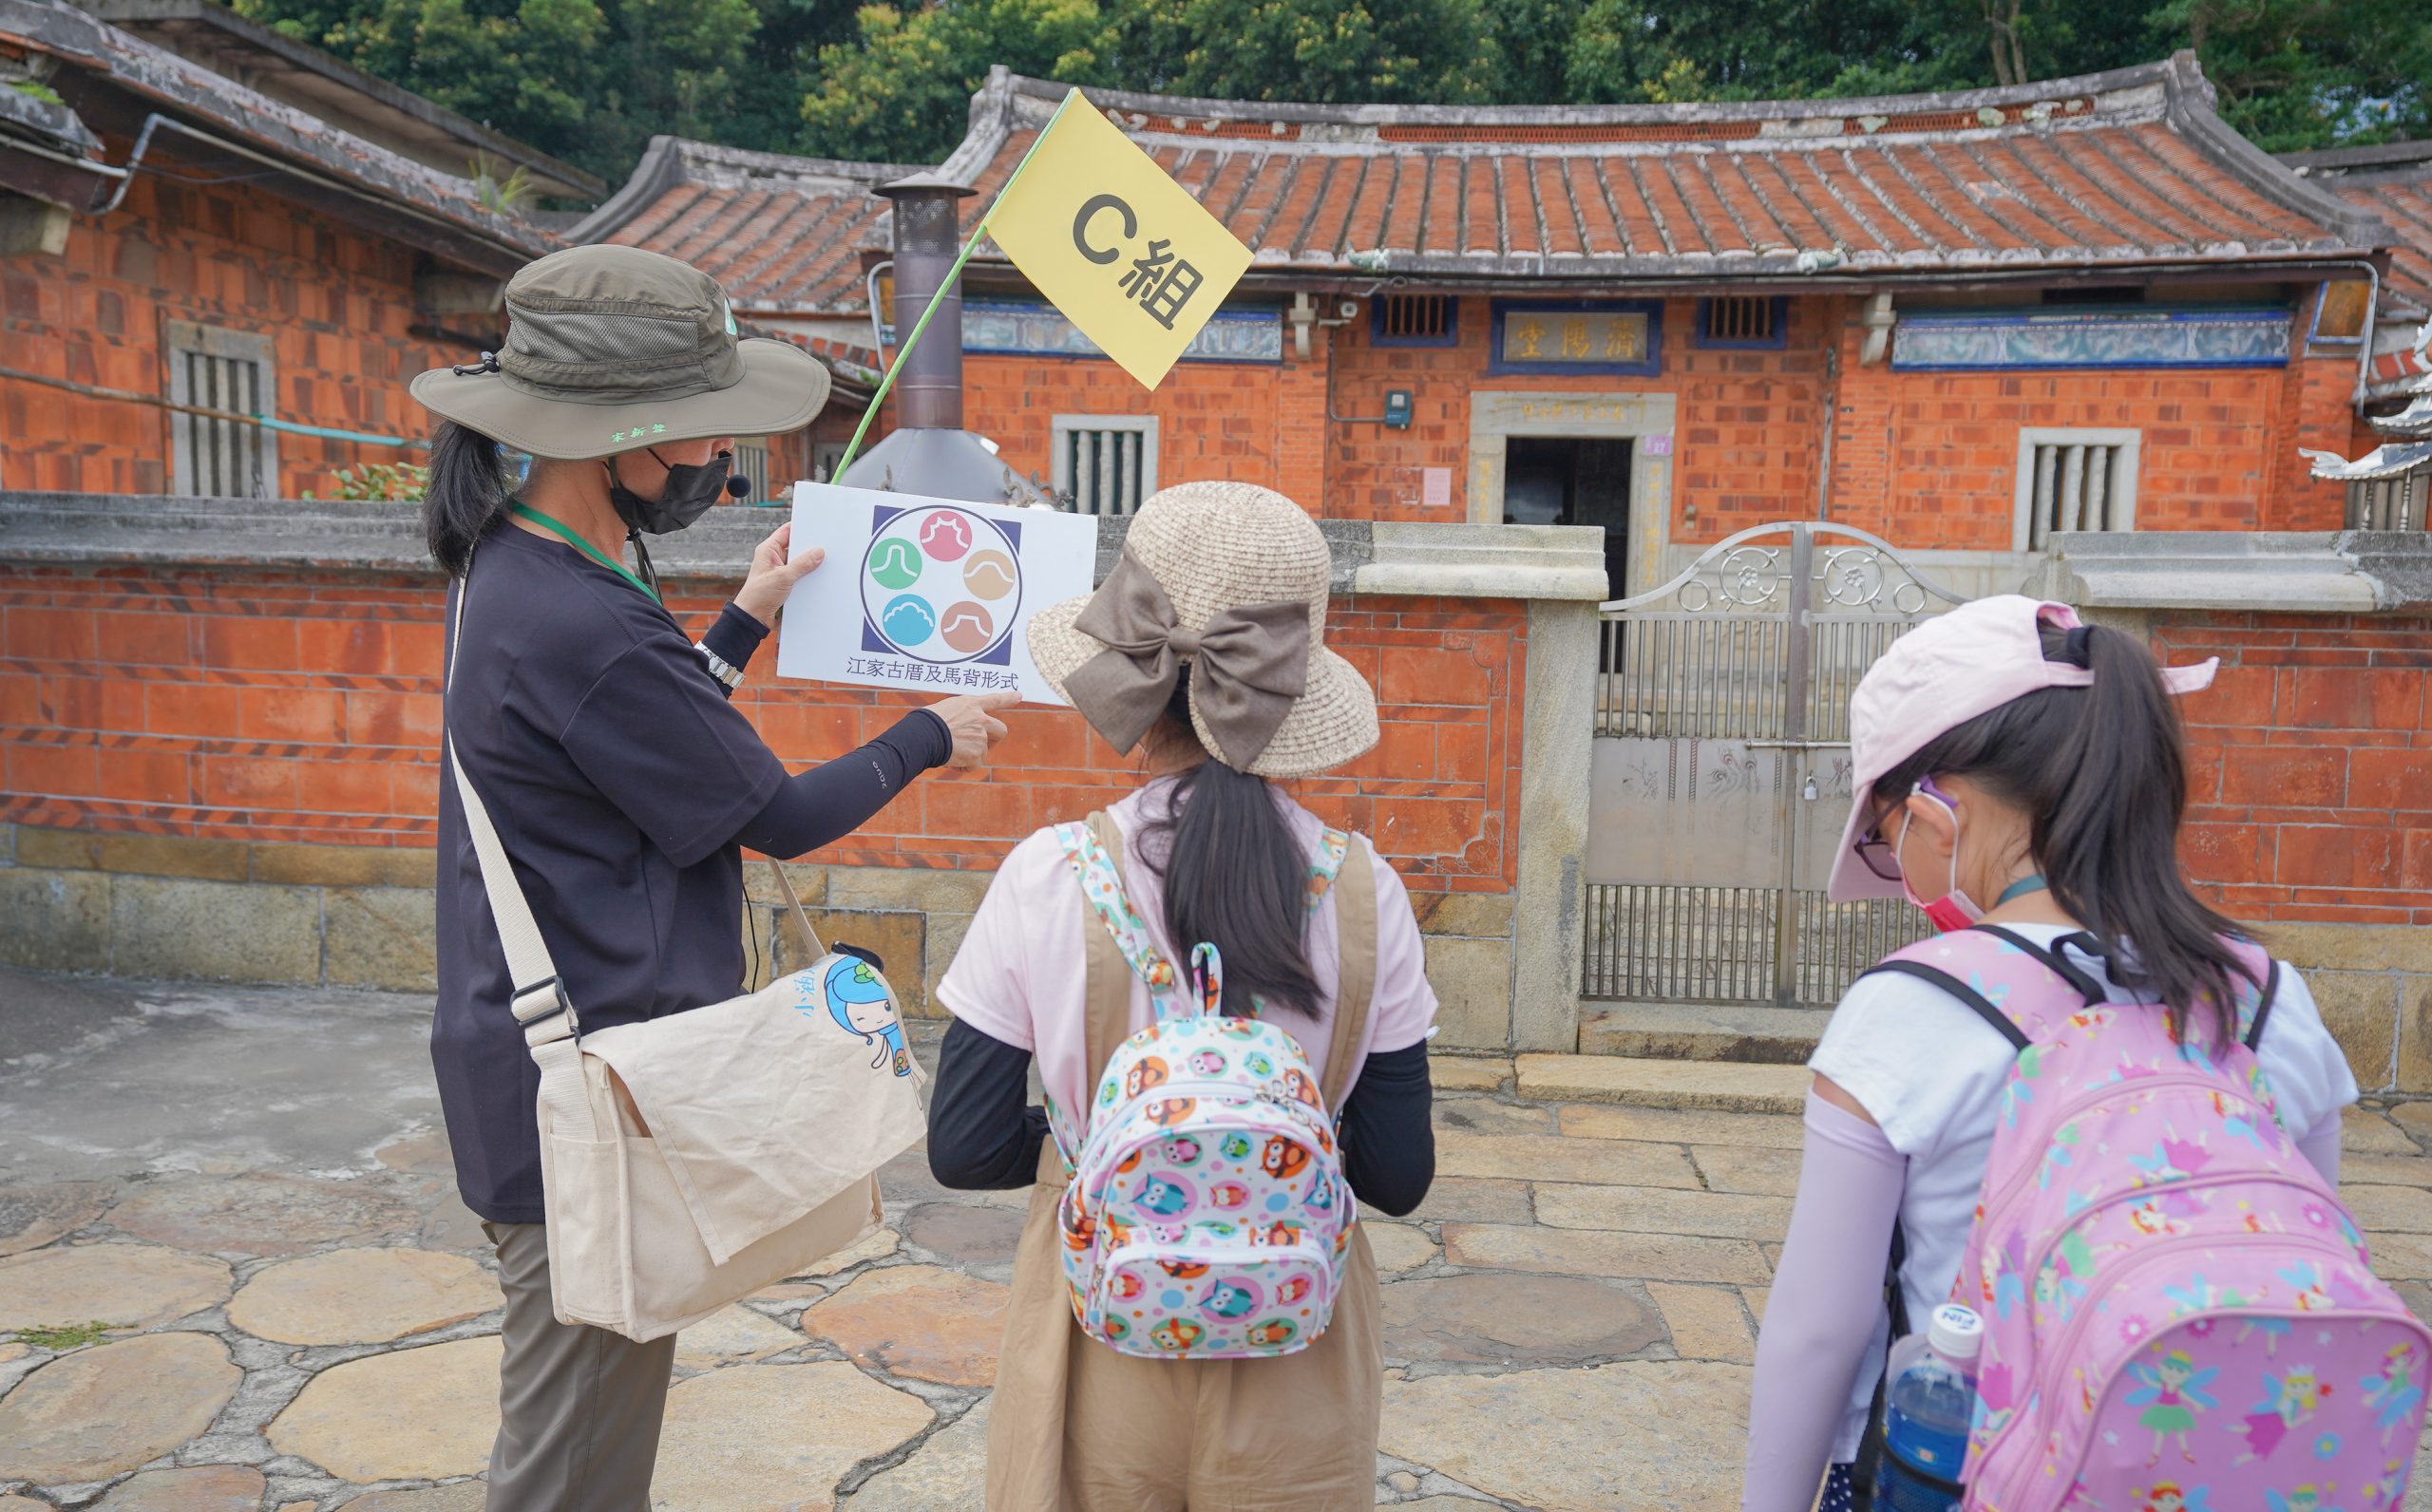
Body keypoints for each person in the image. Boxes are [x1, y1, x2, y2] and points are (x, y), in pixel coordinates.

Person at [408, 244, 1016, 1512]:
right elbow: (778, 817)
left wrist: (741, 619)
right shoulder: (580, 615)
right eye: (695, 437)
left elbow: (640, 752)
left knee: (588, 1434)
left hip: (552, 1062)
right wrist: (930, 734)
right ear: (617, 440)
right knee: (573, 1463)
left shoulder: (525, 564)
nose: (710, 465)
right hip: (581, 1094)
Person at [1739, 596, 2360, 1512]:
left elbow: (1816, 1333)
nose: (1893, 865)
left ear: (1935, 813)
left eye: (1881, 836)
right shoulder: (2268, 997)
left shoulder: (1912, 1008)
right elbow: (2314, 1259)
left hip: (1968, 1476)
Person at [925, 481, 1440, 1511]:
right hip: (1299, 1338)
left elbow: (964, 1146)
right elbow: (1395, 1172)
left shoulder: (1047, 873)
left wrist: (1118, 1134)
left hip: (1093, 1324)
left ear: (1129, 675)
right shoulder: (1363, 890)